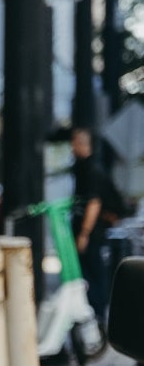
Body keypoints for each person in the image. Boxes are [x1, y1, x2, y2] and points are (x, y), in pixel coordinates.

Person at [71, 125, 126, 320]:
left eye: (74, 143)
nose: (71, 147)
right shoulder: (82, 168)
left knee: (93, 274)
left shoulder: (91, 170)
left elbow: (94, 203)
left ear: (82, 144)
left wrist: (84, 233)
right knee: (90, 274)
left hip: (93, 234)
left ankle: (98, 315)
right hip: (91, 232)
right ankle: (96, 314)